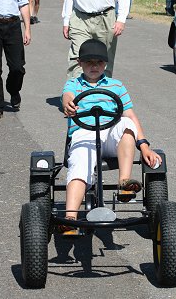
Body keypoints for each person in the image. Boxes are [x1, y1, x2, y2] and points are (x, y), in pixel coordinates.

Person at [61, 39, 162, 226]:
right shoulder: (73, 84)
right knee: (79, 166)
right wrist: (68, 103)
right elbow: (68, 97)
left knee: (126, 122)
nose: (94, 66)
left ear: (105, 64)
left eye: (98, 62)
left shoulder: (116, 86)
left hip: (111, 136)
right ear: (79, 63)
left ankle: (124, 183)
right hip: (84, 134)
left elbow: (130, 114)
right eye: (89, 62)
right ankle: (70, 219)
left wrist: (145, 147)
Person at [62, 0, 129, 79]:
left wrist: (121, 19)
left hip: (106, 19)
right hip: (80, 19)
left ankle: (102, 94)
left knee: (104, 59)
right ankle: (75, 94)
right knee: (76, 59)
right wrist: (66, 20)